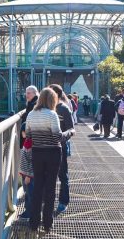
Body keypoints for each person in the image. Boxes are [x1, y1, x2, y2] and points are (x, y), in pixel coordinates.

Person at [26, 88, 74, 233]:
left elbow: (28, 135)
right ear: (52, 100)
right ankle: (47, 223)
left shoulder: (31, 114)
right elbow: (57, 137)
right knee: (50, 188)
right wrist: (70, 132)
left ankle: (34, 223)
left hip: (37, 154)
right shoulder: (52, 114)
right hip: (53, 154)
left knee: (38, 186)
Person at [49, 84, 75, 214]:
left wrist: (62, 137)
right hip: (46, 147)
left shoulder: (64, 109)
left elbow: (72, 128)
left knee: (62, 175)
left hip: (60, 147)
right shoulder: (46, 108)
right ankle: (47, 202)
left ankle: (63, 202)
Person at [19, 136, 34, 219]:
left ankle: (32, 214)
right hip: (25, 174)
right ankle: (27, 212)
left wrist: (28, 175)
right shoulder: (28, 140)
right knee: (27, 194)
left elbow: (33, 160)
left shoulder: (32, 141)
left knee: (31, 194)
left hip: (29, 176)